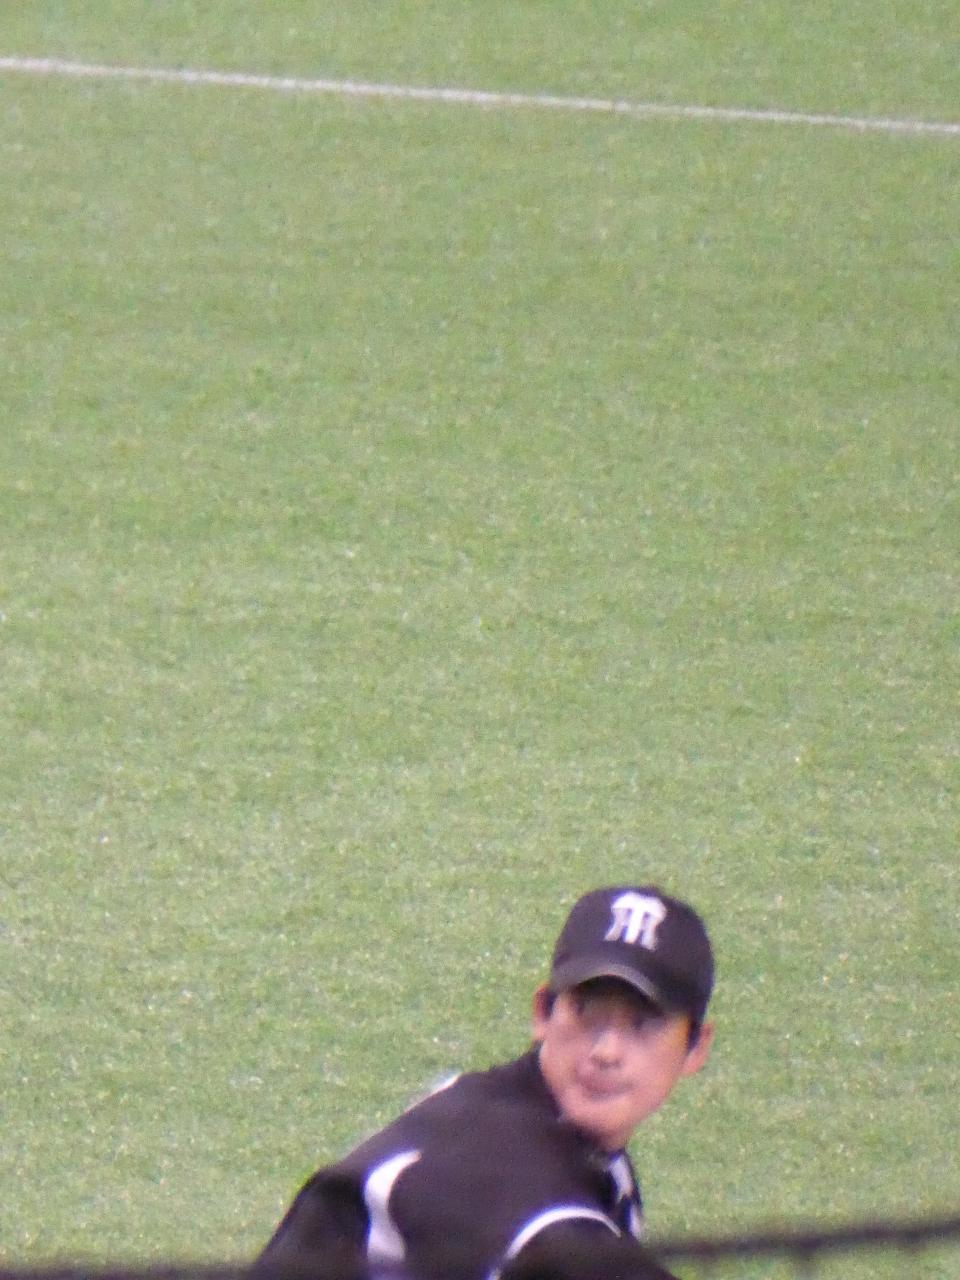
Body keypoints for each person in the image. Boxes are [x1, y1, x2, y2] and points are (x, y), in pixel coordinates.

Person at [254, 885, 715, 1280]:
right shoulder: (493, 1155)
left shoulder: (576, 1147)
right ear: (542, 1013)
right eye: (587, 1011)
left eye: (642, 1024)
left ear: (695, 1047)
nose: (607, 1051)